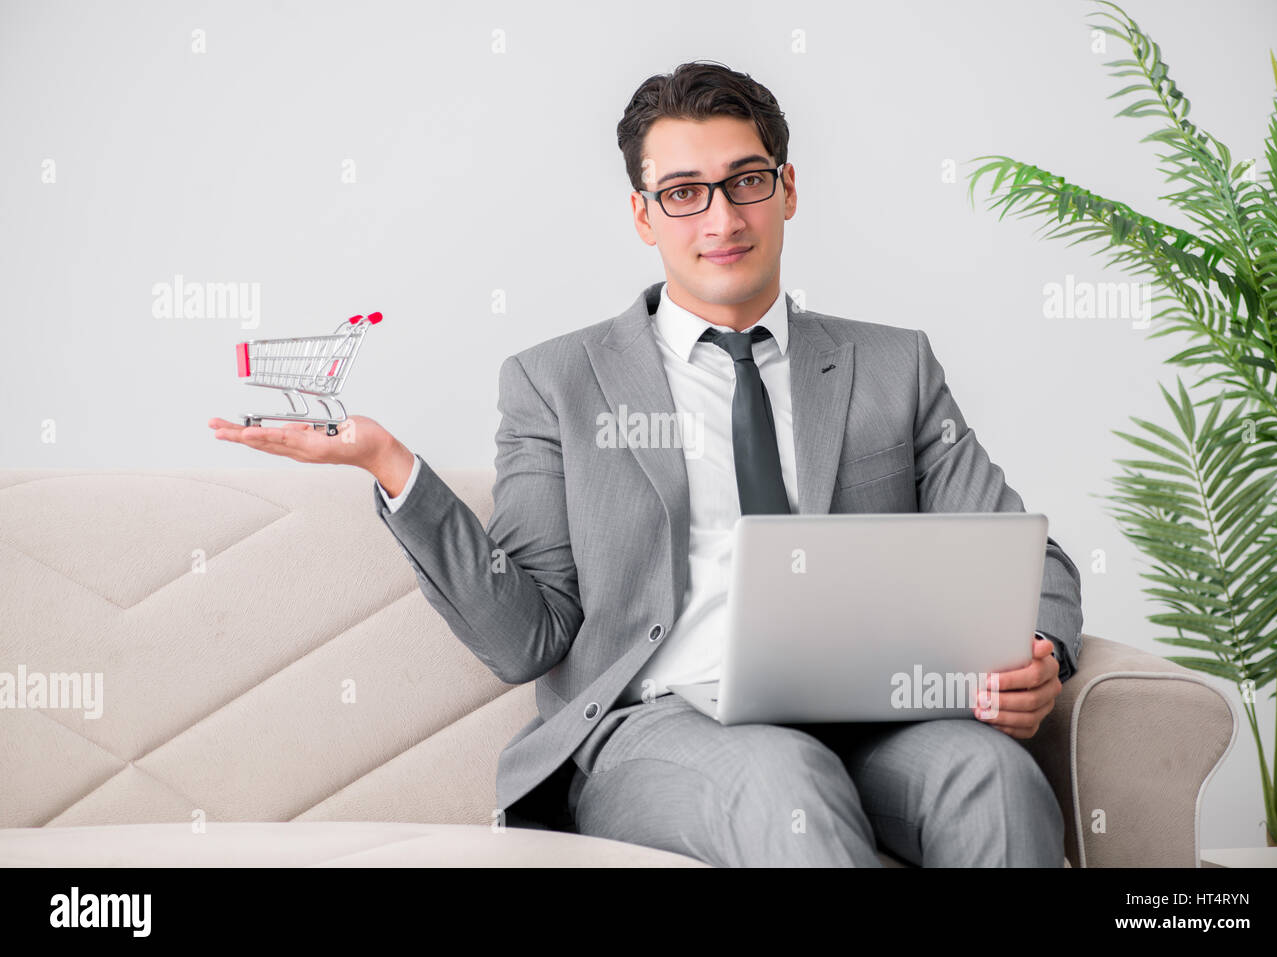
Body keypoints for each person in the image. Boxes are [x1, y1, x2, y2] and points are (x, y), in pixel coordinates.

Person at [209, 60, 1083, 867]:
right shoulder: (556, 383)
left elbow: (1024, 555)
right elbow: (527, 638)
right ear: (642, 214)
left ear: (787, 189)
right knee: (783, 780)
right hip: (660, 727)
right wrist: (391, 464)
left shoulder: (894, 366)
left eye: (745, 181)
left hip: (875, 719)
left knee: (992, 776)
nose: (722, 218)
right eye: (683, 192)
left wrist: (1036, 649)